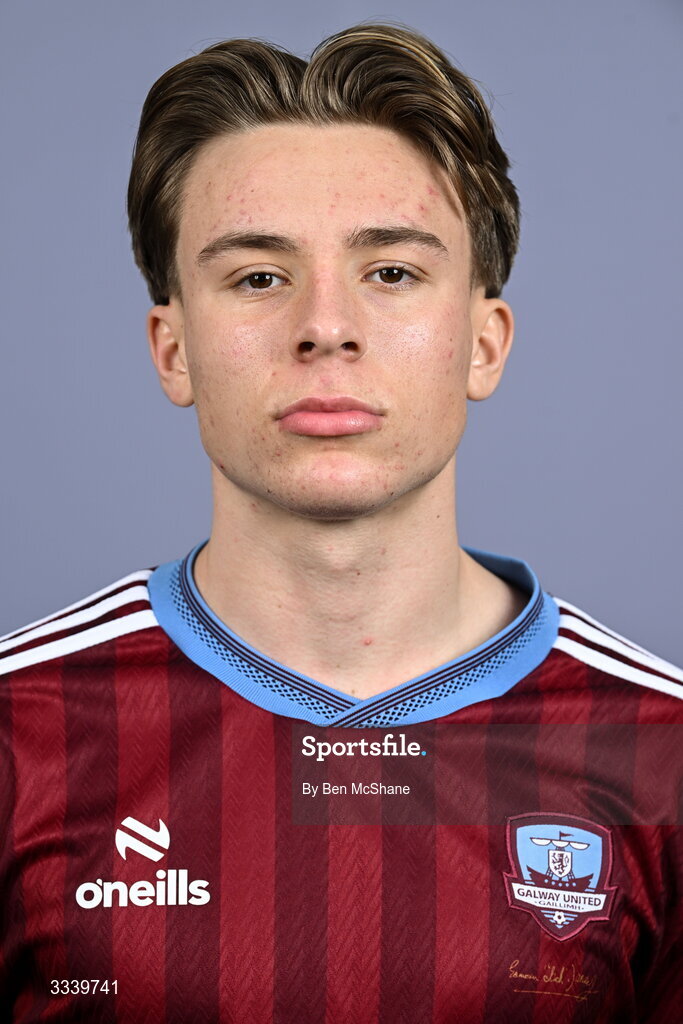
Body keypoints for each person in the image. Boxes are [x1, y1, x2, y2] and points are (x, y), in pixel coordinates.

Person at [1, 22, 681, 1024]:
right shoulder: (20, 732)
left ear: (482, 344)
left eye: (391, 271)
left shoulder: (661, 748)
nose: (326, 324)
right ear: (172, 348)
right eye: (258, 276)